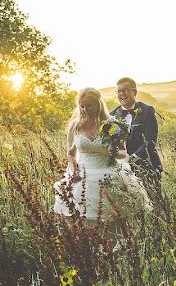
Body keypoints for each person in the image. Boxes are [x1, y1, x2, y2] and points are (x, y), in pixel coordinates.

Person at [53, 87, 150, 222]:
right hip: (82, 171)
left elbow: (123, 153)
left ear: (98, 104)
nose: (85, 109)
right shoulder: (75, 126)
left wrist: (115, 152)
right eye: (82, 106)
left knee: (111, 211)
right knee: (78, 212)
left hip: (108, 169)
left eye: (89, 106)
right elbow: (70, 154)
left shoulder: (113, 125)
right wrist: (73, 170)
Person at [110, 77, 163, 188]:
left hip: (147, 166)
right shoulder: (113, 114)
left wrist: (133, 158)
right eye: (119, 91)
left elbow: (151, 140)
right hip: (121, 169)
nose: (122, 94)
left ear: (134, 92)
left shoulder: (147, 111)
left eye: (125, 90)